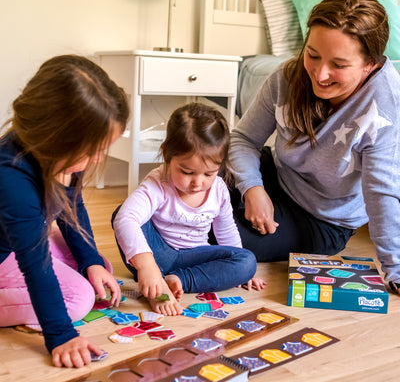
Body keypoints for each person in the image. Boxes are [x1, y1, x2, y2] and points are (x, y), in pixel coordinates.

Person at [229, 0, 400, 294]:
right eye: (313, 55)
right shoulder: (285, 77)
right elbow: (242, 138)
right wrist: (253, 188)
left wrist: (395, 269)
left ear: (370, 64)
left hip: (321, 220)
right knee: (193, 171)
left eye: (339, 64)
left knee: (213, 237)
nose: (320, 75)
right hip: (276, 178)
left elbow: (381, 191)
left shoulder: (386, 107)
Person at [0, 55, 130, 368]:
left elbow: (72, 209)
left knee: (97, 269)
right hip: (8, 255)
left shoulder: (65, 156)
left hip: (24, 239)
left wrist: (91, 260)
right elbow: (35, 265)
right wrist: (60, 334)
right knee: (79, 299)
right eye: (93, 151)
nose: (98, 159)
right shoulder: (11, 176)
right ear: (56, 138)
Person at [112, 102, 265, 316]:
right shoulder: (158, 183)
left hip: (195, 257)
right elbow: (125, 219)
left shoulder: (219, 189)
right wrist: (147, 267)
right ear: (166, 154)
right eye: (187, 172)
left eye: (209, 174)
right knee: (122, 214)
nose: (197, 183)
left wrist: (243, 275)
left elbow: (226, 231)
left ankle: (178, 280)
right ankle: (155, 281)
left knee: (247, 261)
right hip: (157, 255)